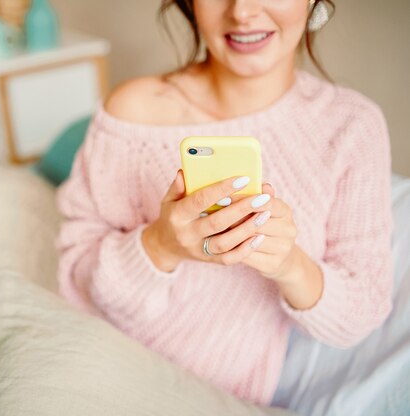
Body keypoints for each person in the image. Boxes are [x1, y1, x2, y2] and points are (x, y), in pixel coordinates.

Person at [55, 0, 393, 405]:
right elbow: (74, 276)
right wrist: (160, 245)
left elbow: (361, 312)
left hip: (212, 400)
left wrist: (289, 264)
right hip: (98, 366)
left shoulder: (352, 127)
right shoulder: (133, 113)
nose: (242, 12)